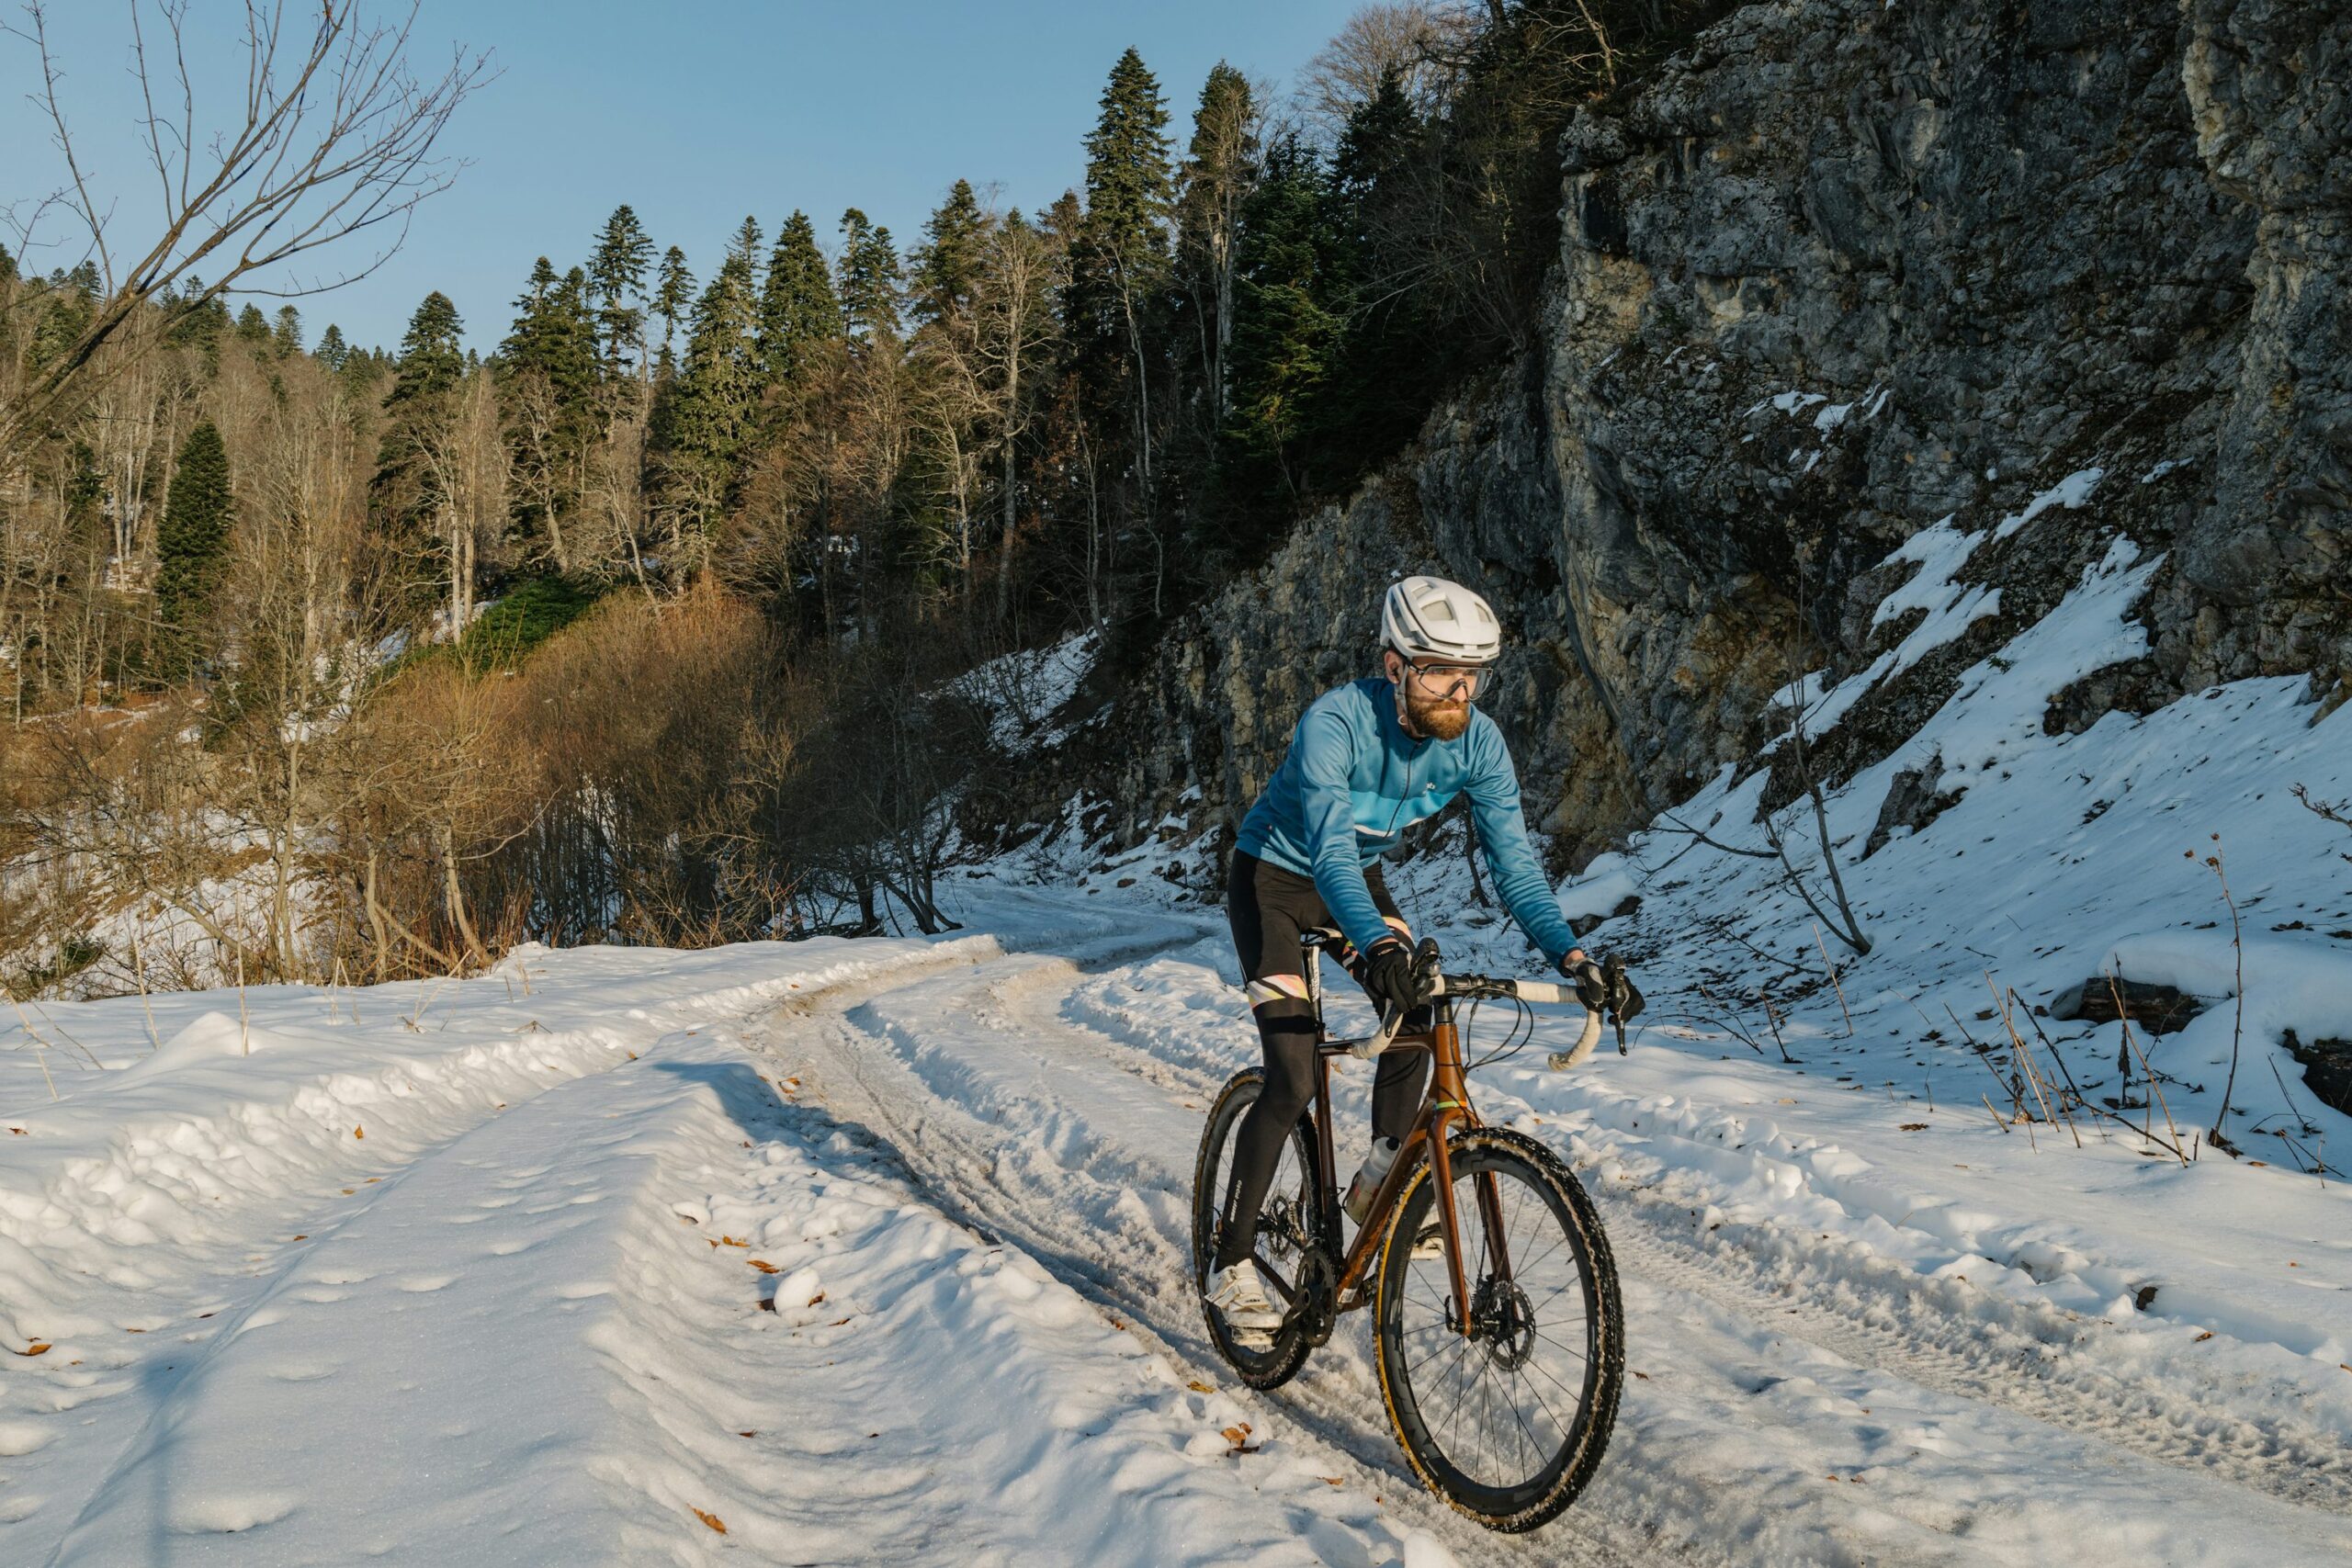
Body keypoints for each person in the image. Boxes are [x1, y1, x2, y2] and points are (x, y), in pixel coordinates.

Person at [1205, 575, 1605, 1340]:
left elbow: (1515, 866)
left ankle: (1378, 1180)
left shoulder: (1478, 743)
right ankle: (1231, 1260)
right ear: (1394, 667)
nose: (1458, 691)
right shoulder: (1335, 723)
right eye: (1436, 671)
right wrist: (1380, 945)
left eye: (1471, 674)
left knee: (1422, 1004)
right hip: (1276, 879)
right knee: (1291, 1076)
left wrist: (1574, 954)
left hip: (1357, 878)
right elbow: (1326, 850)